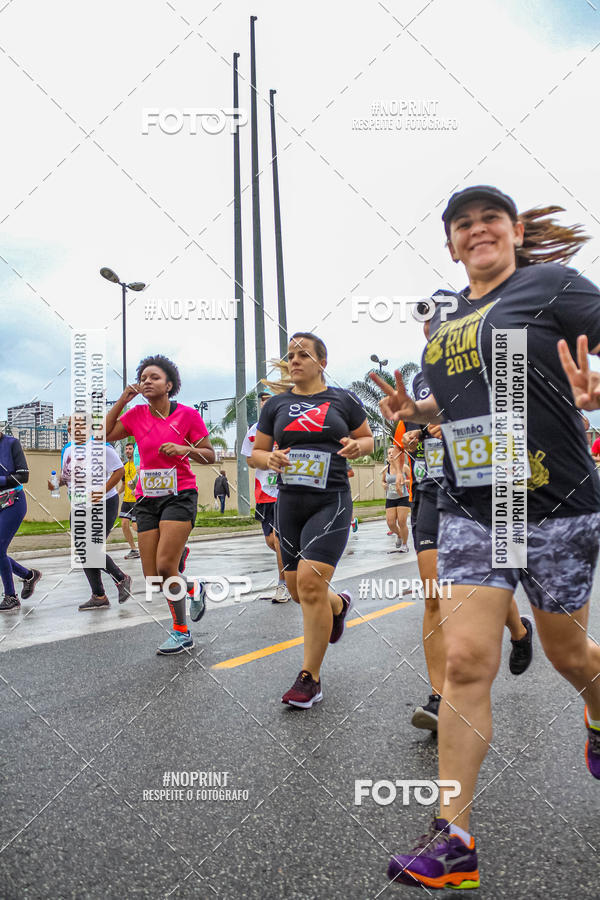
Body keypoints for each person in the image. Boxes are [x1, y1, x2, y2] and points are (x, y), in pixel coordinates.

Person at [372, 185, 600, 889]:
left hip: (556, 502)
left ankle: (596, 708)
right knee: (466, 661)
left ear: (513, 229)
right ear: (450, 244)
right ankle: (455, 839)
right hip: (477, 506)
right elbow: (468, 397)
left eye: (489, 220)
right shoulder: (447, 323)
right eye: (462, 225)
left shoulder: (550, 285)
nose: (477, 231)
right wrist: (421, 407)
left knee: (568, 654)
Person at [251, 332, 374, 707]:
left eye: (303, 354)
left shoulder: (343, 400)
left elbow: (368, 440)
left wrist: (357, 446)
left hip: (331, 501)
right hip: (289, 502)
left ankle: (310, 679)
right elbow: (255, 453)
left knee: (309, 581)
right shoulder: (275, 405)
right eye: (291, 355)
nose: (295, 360)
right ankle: (337, 605)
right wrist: (268, 459)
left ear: (322, 361)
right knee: (295, 587)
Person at [105, 354, 215, 655]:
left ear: (169, 385)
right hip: (147, 498)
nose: (147, 382)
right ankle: (192, 588)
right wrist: (123, 399)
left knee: (166, 566)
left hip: (180, 495)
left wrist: (184, 448)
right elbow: (104, 433)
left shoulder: (187, 416)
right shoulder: (137, 415)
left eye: (154, 377)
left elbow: (210, 455)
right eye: (144, 378)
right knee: (155, 578)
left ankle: (181, 632)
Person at [51, 416, 131, 610]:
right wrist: (56, 482)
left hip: (104, 503)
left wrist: (101, 490)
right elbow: (67, 475)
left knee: (91, 548)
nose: (71, 428)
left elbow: (119, 471)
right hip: (79, 505)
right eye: (69, 425)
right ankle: (99, 596)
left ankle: (122, 578)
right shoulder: (67, 449)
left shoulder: (100, 446)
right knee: (83, 549)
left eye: (76, 424)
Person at [242, 391, 290, 603]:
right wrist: (267, 459)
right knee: (271, 541)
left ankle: (283, 585)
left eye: (270, 400)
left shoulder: (289, 426)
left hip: (286, 491)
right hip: (264, 492)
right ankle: (292, 561)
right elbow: (249, 460)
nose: (267, 404)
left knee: (279, 540)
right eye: (263, 401)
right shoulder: (255, 431)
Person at [0, 430, 42, 610]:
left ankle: (11, 597)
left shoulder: (11, 443)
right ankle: (28, 575)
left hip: (13, 502)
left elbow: (23, 476)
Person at [382, 446, 410, 551]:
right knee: (391, 523)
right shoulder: (386, 469)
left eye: (393, 452)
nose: (391, 454)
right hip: (390, 498)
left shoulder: (404, 467)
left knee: (402, 522)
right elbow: (383, 481)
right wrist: (384, 484)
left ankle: (404, 544)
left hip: (403, 497)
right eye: (389, 453)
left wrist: (403, 481)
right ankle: (399, 535)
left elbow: (412, 480)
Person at [119, 442, 139, 559]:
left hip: (137, 500)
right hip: (127, 500)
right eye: (126, 449)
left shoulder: (138, 464)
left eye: (130, 449)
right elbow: (123, 484)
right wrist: (116, 494)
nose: (127, 451)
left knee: (136, 526)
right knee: (124, 524)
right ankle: (133, 549)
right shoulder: (124, 466)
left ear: (134, 451)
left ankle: (150, 545)